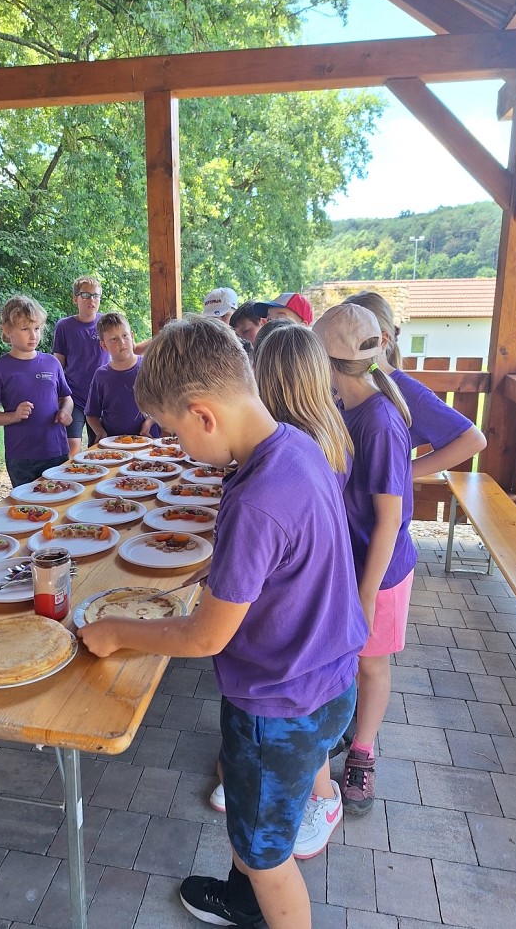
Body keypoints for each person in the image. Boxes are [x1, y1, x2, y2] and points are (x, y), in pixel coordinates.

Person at [79, 317, 368, 929]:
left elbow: (207, 636)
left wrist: (117, 631)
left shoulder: (254, 498)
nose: (180, 448)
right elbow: (286, 567)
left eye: (176, 432)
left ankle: (260, 897)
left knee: (268, 857)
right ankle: (241, 898)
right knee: (258, 814)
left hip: (276, 706)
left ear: (204, 415)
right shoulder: (296, 444)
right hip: (331, 680)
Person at [314, 303, 416, 816]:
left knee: (372, 663)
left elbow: (389, 521)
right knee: (351, 659)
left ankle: (363, 751)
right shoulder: (344, 405)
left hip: (382, 571)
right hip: (355, 562)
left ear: (328, 362)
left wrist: (367, 593)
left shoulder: (378, 421)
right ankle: (343, 729)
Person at [342, 290, 487, 475]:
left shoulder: (408, 392)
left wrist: (401, 474)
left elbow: (472, 440)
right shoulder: (342, 383)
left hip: (382, 502)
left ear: (382, 340)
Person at [0, 295, 74, 487]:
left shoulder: (52, 362)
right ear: (8, 331)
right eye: (25, 329)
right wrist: (13, 416)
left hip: (56, 450)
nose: (33, 335)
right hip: (21, 457)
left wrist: (66, 411)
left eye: (37, 328)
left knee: (61, 501)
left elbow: (67, 397)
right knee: (27, 509)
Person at [53, 275, 107, 456]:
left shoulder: (106, 324)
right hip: (74, 397)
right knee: (72, 446)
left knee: (100, 447)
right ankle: (72, 481)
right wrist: (57, 394)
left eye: (96, 295)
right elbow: (58, 364)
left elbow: (128, 350)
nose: (92, 300)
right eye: (86, 295)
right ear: (75, 298)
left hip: (102, 398)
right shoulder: (64, 326)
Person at [84, 311, 158, 441]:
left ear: (132, 336)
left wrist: (150, 422)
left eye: (125, 335)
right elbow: (91, 414)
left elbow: (163, 403)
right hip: (114, 445)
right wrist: (100, 431)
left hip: (148, 442)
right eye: (114, 339)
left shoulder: (149, 367)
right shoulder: (101, 375)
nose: (121, 342)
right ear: (104, 345)